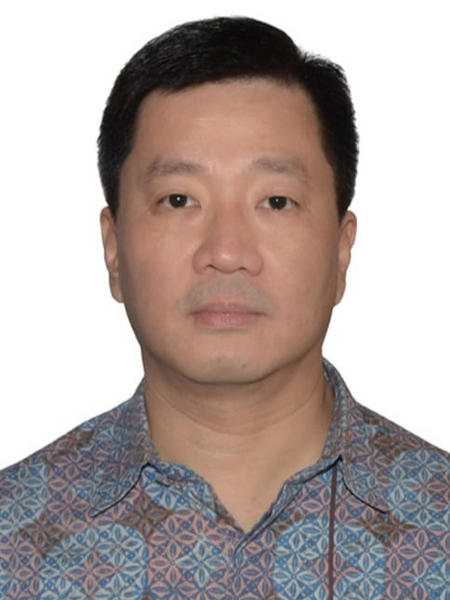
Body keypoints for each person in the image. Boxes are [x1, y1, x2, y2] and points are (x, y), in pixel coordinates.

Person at [0, 15, 448, 599]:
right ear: (114, 250)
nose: (227, 253)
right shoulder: (14, 540)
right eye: (178, 199)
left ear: (341, 250)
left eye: (276, 201)